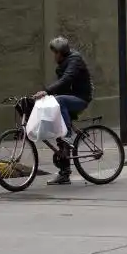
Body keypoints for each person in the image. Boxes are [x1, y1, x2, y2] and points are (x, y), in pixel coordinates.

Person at [34, 37, 94, 186]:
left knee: (63, 128)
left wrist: (46, 91)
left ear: (61, 53)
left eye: (55, 53)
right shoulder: (62, 64)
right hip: (68, 99)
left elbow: (67, 80)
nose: (54, 56)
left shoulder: (75, 60)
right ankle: (64, 174)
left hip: (81, 98)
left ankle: (68, 136)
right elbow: (62, 88)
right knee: (58, 132)